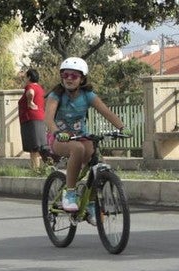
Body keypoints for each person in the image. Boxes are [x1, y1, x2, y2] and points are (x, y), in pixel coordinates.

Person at [45, 57, 125, 222]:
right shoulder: (56, 95)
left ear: (82, 79)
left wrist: (122, 127)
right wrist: (57, 132)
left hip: (82, 136)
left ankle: (91, 203)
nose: (69, 78)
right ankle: (70, 193)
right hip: (59, 139)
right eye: (65, 75)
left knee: (99, 164)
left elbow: (107, 112)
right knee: (78, 149)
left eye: (74, 76)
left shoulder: (87, 95)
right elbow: (48, 119)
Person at [18, 69, 46, 171]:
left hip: (30, 119)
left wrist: (30, 102)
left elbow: (30, 92)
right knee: (37, 147)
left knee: (33, 147)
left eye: (26, 77)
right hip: (40, 118)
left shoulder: (30, 87)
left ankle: (35, 169)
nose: (25, 79)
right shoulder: (40, 88)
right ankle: (36, 168)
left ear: (29, 77)